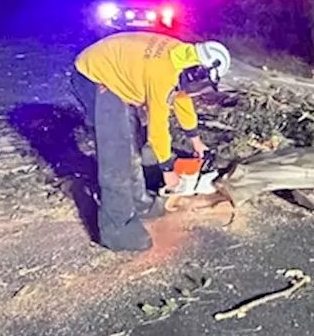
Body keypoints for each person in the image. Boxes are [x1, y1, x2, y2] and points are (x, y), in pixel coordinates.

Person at [70, 31, 232, 252]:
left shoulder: (182, 58)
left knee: (132, 142)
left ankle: (139, 203)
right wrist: (167, 170)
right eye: (204, 82)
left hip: (118, 74)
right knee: (117, 150)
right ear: (199, 71)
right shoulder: (163, 73)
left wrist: (196, 140)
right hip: (95, 75)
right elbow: (158, 128)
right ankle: (118, 229)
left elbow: (182, 99)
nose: (201, 89)